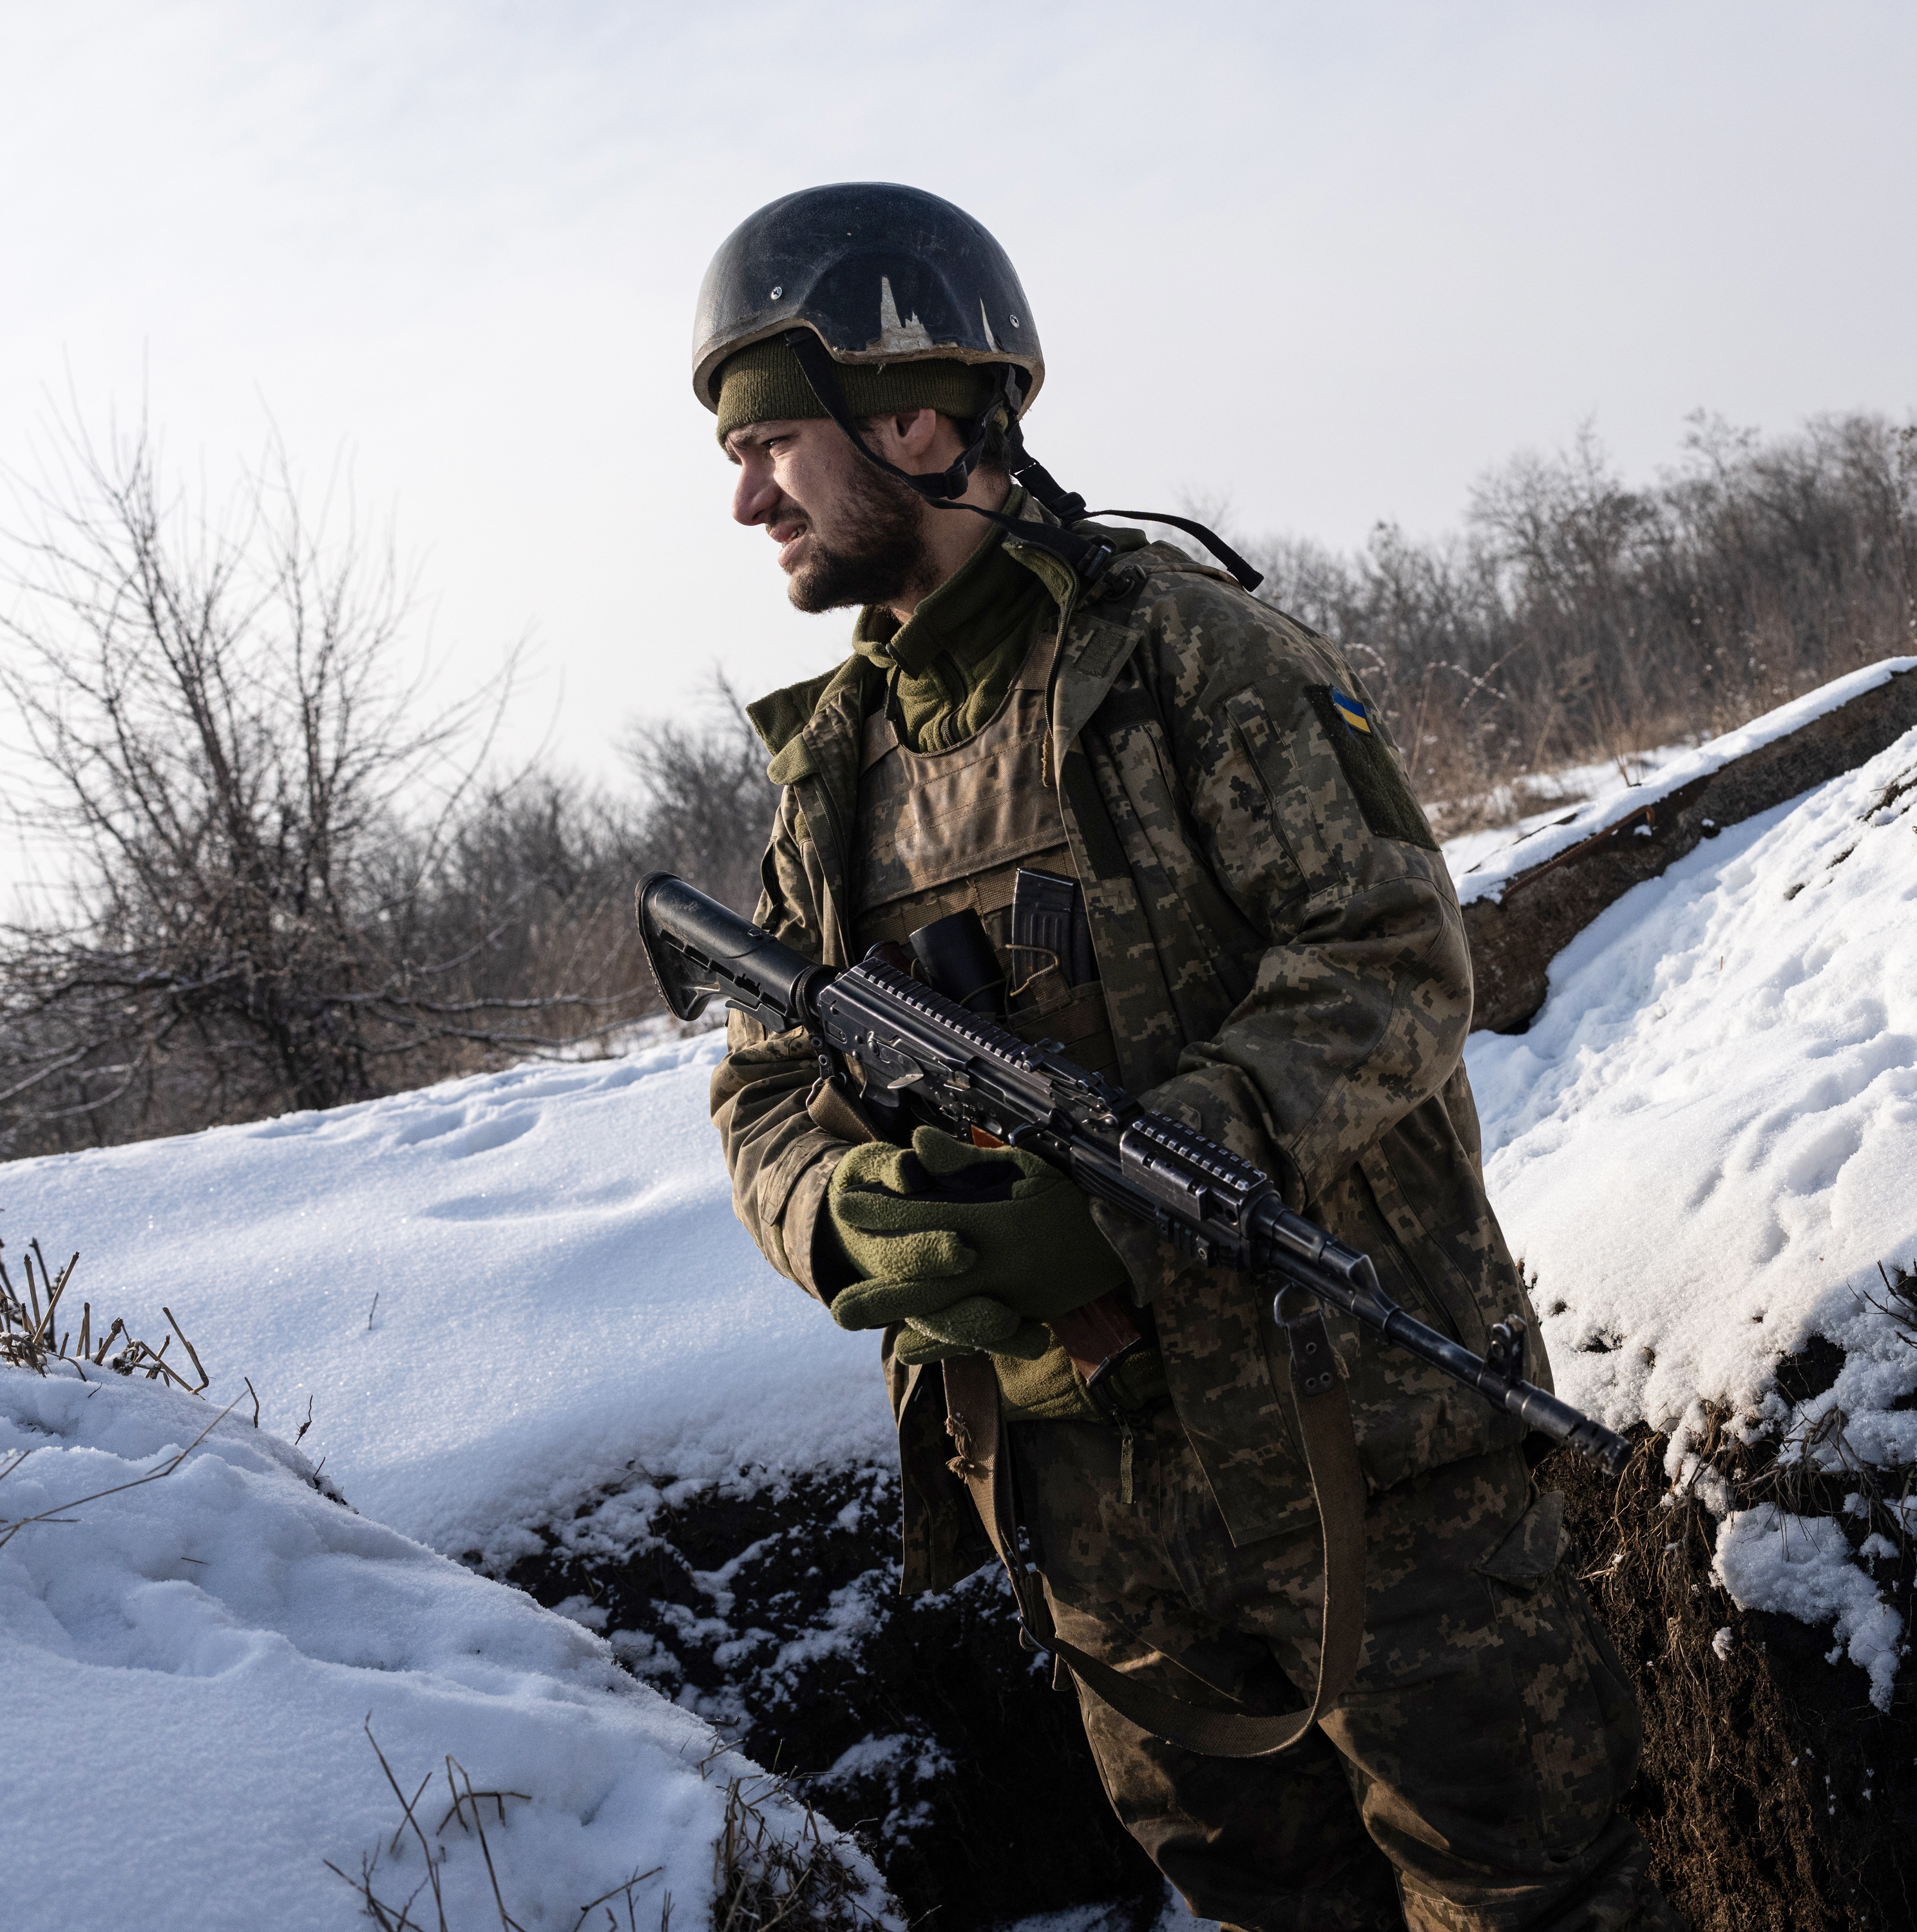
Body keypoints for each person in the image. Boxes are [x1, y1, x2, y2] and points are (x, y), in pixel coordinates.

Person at [692, 181, 1678, 1932]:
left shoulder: (1186, 662)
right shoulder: (827, 777)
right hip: (1094, 1523)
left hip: (1375, 1475)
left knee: (1534, 1903)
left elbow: (1386, 959)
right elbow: (765, 1082)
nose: (745, 493)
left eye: (772, 440)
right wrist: (851, 1215)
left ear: (913, 420)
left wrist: (1160, 1168)